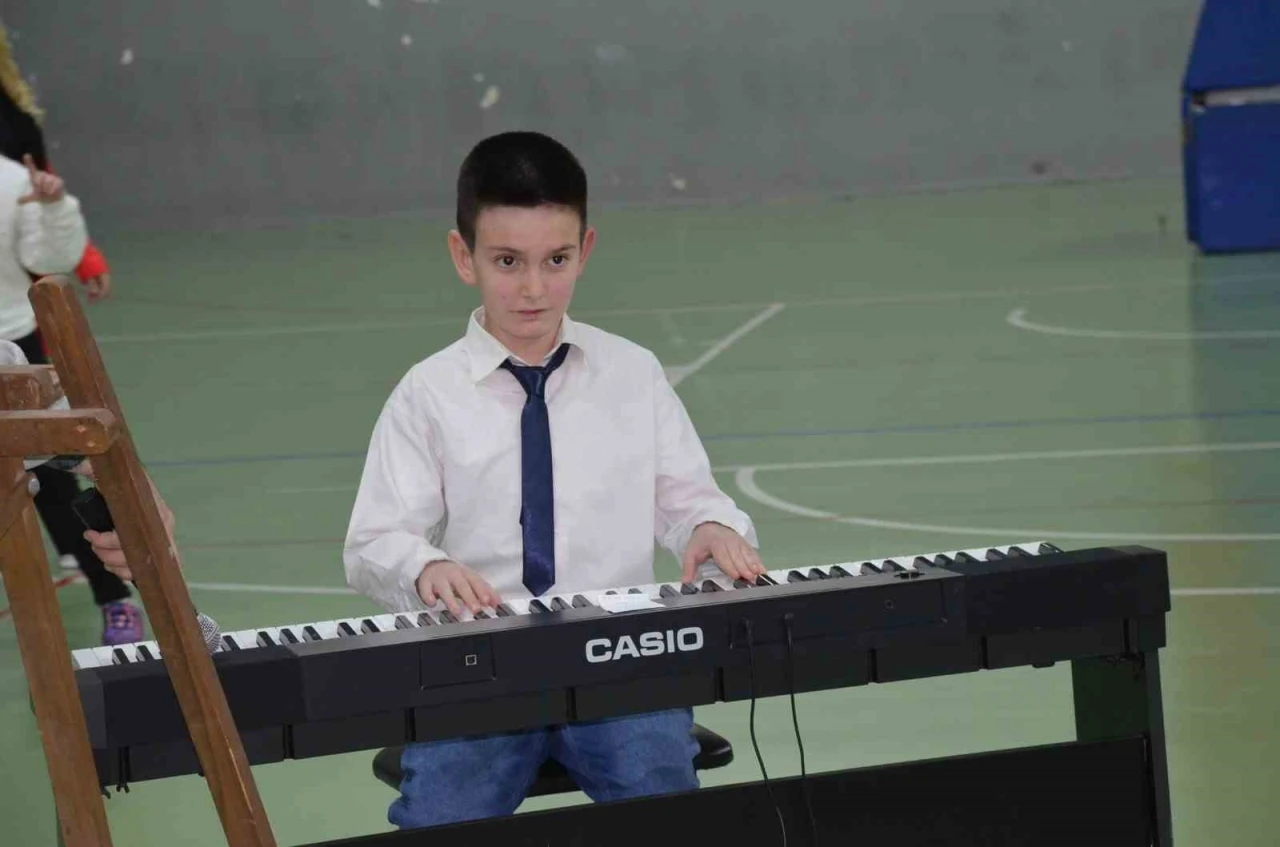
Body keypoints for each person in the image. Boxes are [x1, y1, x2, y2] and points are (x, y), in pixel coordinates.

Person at [343, 131, 764, 830]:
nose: (534, 288)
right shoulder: (427, 393)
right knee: (441, 815)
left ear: (585, 250)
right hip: (479, 665)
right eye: (507, 261)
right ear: (463, 256)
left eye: (556, 260)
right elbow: (372, 541)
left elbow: (691, 502)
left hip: (619, 660)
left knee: (666, 800)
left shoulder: (633, 373)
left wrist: (714, 528)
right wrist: (425, 567)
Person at [0, 22, 141, 646]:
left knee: (56, 487)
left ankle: (115, 599)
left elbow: (48, 250)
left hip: (15, 347)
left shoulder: (11, 171)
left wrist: (56, 210)